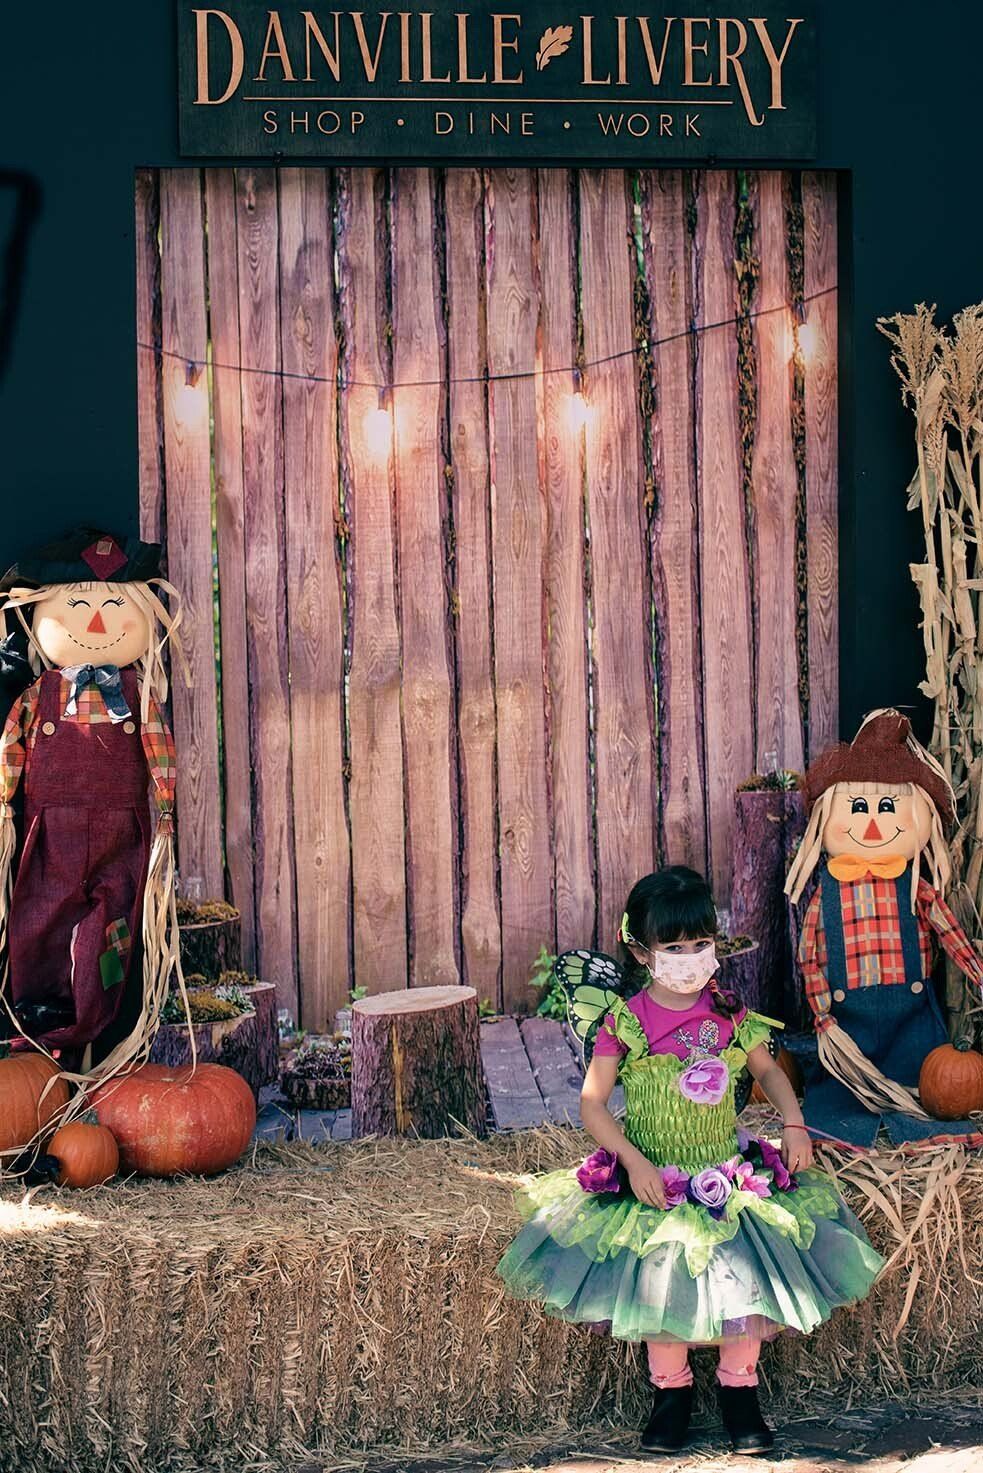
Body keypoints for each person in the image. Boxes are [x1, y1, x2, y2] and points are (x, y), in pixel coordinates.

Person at [497, 867, 884, 1456]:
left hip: (723, 1172)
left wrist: (793, 1122)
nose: (689, 958)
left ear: (715, 944)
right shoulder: (625, 1022)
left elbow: (770, 1073)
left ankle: (739, 1391)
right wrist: (631, 1161)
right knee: (662, 1279)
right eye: (673, 949)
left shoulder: (728, 1013)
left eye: (700, 945)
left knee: (741, 1280)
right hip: (654, 1176)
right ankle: (670, 1393)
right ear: (640, 951)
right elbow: (593, 1104)